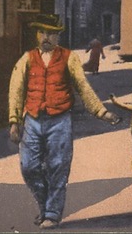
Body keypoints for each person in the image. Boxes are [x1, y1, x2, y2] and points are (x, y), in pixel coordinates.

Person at [8, 14, 121, 229]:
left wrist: (101, 112)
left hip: (59, 120)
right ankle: (45, 205)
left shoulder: (69, 58)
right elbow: (16, 89)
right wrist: (14, 120)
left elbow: (83, 87)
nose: (46, 37)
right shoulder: (27, 58)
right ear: (37, 35)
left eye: (51, 33)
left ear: (58, 36)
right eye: (42, 32)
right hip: (32, 119)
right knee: (28, 167)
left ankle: (52, 213)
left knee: (58, 166)